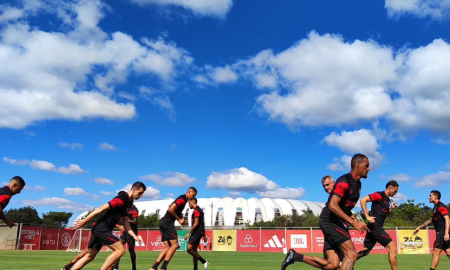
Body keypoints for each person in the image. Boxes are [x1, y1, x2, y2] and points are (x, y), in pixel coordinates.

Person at [282, 154, 370, 270]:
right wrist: (353, 223)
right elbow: (333, 205)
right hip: (331, 220)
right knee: (351, 254)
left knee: (332, 265)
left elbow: (343, 205)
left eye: (328, 185)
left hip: (333, 220)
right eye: (366, 166)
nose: (368, 168)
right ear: (357, 165)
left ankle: (296, 256)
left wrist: (351, 217)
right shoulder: (344, 182)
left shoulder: (357, 184)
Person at [70, 182, 146, 270]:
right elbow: (101, 208)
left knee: (89, 257)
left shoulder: (129, 203)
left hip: (100, 229)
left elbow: (125, 221)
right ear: (134, 190)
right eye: (140, 193)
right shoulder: (121, 199)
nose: (140, 196)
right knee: (120, 250)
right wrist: (84, 221)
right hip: (102, 228)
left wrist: (134, 236)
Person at [149, 187, 198, 270]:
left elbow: (170, 205)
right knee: (175, 245)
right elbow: (171, 209)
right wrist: (179, 219)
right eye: (193, 195)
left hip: (163, 221)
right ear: (189, 192)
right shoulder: (183, 199)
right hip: (168, 222)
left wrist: (180, 214)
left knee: (167, 247)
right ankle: (163, 267)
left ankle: (154, 267)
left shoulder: (182, 199)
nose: (192, 197)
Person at [356, 180, 399, 270]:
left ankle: (345, 261)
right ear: (390, 188)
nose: (395, 193)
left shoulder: (387, 200)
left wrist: (391, 209)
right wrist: (367, 216)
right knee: (392, 249)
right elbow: (363, 200)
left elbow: (384, 214)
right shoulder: (379, 195)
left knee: (365, 250)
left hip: (373, 227)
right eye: (395, 191)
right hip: (375, 226)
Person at [413, 190, 450, 270]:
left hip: (443, 233)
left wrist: (446, 233)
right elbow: (430, 220)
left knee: (435, 252)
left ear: (436, 197)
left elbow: (447, 219)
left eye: (430, 196)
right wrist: (419, 227)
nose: (428, 197)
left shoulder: (441, 206)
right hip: (442, 233)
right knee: (448, 252)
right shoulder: (435, 208)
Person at [185, 198, 209, 270]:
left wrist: (189, 233)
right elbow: (202, 223)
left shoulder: (196, 211)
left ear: (192, 202)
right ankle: (195, 268)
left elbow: (196, 223)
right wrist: (204, 235)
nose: (189, 205)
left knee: (189, 249)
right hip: (199, 232)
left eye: (189, 203)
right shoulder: (200, 210)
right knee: (194, 251)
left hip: (196, 232)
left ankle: (204, 262)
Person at [113, 204, 140, 270]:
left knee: (131, 250)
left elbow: (135, 221)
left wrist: (126, 221)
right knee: (118, 248)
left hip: (132, 231)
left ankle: (134, 268)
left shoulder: (134, 210)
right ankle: (116, 267)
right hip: (125, 232)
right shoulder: (126, 209)